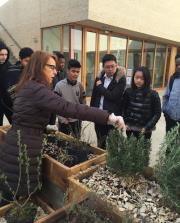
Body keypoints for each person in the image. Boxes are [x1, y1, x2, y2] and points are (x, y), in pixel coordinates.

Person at [0, 51, 125, 205]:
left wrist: (45, 128)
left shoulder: (28, 86)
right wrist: (108, 117)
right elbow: (70, 107)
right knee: (17, 198)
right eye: (51, 67)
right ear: (39, 67)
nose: (55, 71)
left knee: (11, 193)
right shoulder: (37, 90)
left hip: (18, 144)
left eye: (55, 68)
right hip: (24, 148)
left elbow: (25, 118)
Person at [90, 54, 126, 149]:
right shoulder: (99, 78)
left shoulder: (120, 79)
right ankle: (102, 162)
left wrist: (100, 87)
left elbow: (113, 96)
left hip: (113, 117)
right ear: (103, 67)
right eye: (107, 67)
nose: (110, 69)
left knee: (113, 144)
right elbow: (94, 96)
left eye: (112, 66)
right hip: (99, 115)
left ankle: (112, 163)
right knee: (101, 143)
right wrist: (92, 111)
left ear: (116, 65)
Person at [122, 66, 161, 140]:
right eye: (136, 77)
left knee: (143, 150)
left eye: (142, 78)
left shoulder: (153, 94)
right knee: (130, 149)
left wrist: (147, 127)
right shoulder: (128, 92)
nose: (138, 80)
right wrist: (125, 122)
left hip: (145, 130)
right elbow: (123, 108)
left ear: (147, 80)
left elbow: (157, 113)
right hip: (130, 128)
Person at [55, 59, 86, 138]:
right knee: (63, 143)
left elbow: (83, 103)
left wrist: (81, 117)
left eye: (78, 72)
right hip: (64, 121)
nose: (75, 74)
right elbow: (56, 104)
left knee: (76, 143)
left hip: (76, 121)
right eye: (73, 71)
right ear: (67, 70)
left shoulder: (80, 86)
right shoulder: (59, 86)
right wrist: (62, 119)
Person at [2, 47, 34, 123]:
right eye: (26, 61)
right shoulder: (12, 72)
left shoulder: (32, 72)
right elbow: (12, 95)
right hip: (14, 112)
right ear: (20, 59)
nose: (29, 64)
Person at [162, 53, 180, 133]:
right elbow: (166, 96)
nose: (179, 66)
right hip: (171, 119)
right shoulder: (172, 78)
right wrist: (165, 112)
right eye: (177, 64)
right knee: (169, 143)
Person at [0, 42, 11, 125]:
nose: (4, 57)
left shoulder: (10, 67)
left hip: (7, 101)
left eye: (6, 54)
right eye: (1, 54)